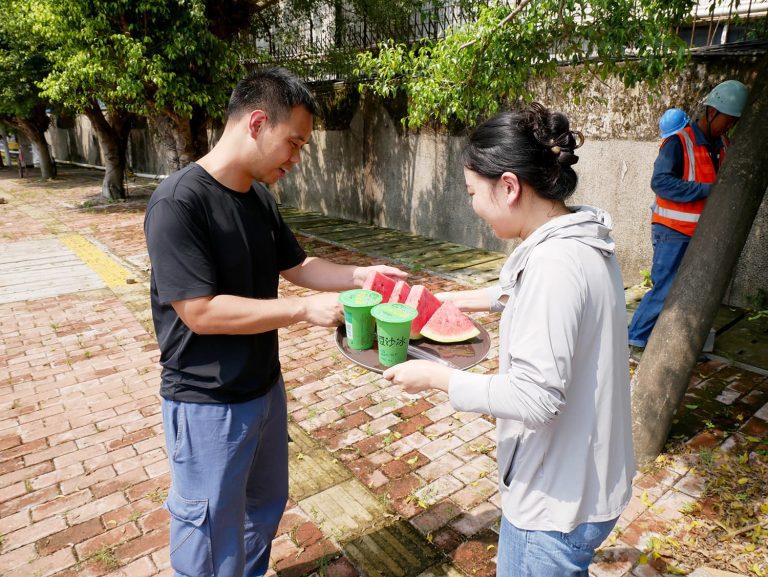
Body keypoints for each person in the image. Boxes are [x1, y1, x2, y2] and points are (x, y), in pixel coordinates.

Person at [144, 67, 405, 577]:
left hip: (264, 388)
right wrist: (302, 311)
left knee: (263, 506)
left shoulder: (259, 196)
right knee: (209, 528)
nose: (297, 157)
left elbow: (296, 265)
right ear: (257, 123)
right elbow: (199, 311)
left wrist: (362, 274)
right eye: (294, 142)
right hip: (207, 401)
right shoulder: (179, 203)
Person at [383, 103, 635, 577]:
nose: (472, 206)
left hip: (556, 502)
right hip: (579, 480)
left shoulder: (553, 267)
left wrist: (435, 377)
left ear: (509, 186)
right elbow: (515, 293)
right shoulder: (580, 240)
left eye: (472, 192)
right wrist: (445, 302)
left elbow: (535, 398)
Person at [627, 80, 749, 354]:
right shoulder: (678, 143)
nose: (728, 127)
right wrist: (707, 190)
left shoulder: (722, 143)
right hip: (672, 231)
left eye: (733, 122)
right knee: (665, 287)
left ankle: (675, 338)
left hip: (700, 232)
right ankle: (636, 337)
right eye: (726, 120)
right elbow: (661, 183)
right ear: (711, 112)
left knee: (691, 289)